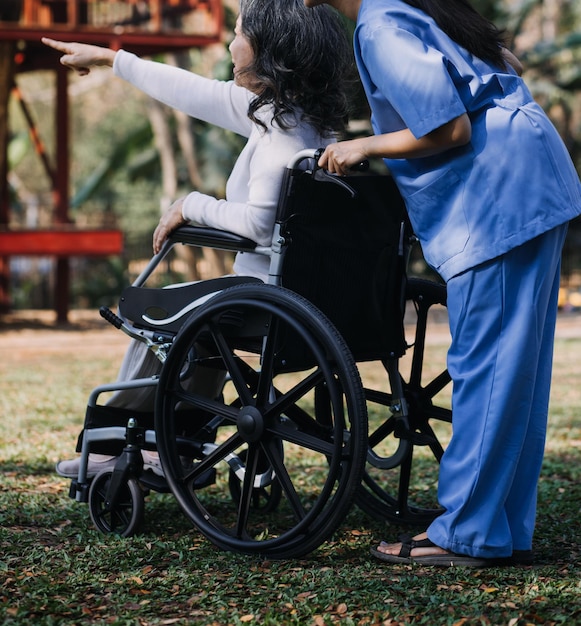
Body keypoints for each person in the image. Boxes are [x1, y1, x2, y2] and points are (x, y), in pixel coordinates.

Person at [304, 0, 581, 566]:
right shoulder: (405, 9)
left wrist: (364, 146)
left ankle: (467, 532)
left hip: (497, 191)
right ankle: (501, 527)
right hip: (528, 172)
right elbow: (506, 66)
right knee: (515, 368)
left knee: (486, 364)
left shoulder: (381, 25)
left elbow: (449, 127)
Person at [43, 0, 352, 478]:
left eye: (238, 33)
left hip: (267, 297)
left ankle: (125, 440)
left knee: (159, 311)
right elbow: (191, 91)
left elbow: (256, 224)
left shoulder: (278, 136)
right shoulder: (301, 121)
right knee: (203, 323)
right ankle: (181, 437)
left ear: (269, 49)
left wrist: (191, 204)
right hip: (315, 298)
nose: (229, 44)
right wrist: (111, 58)